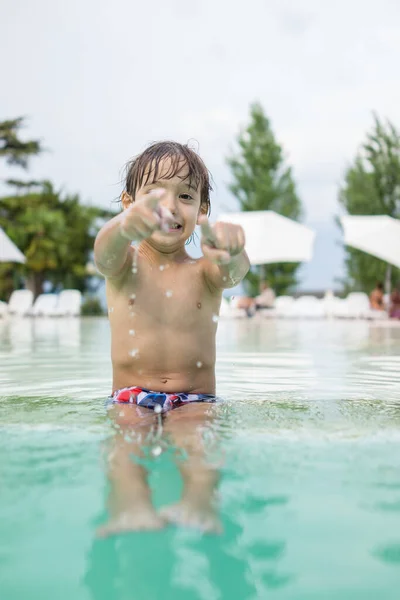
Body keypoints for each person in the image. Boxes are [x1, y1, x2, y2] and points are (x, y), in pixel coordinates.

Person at [94, 141, 249, 536]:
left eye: (185, 196)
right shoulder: (124, 266)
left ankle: (199, 505)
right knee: (126, 445)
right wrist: (122, 228)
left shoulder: (205, 271)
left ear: (201, 211)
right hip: (130, 396)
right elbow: (103, 253)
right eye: (156, 195)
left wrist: (232, 251)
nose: (172, 206)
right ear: (129, 203)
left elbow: (234, 273)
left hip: (195, 400)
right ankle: (131, 507)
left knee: (200, 445)